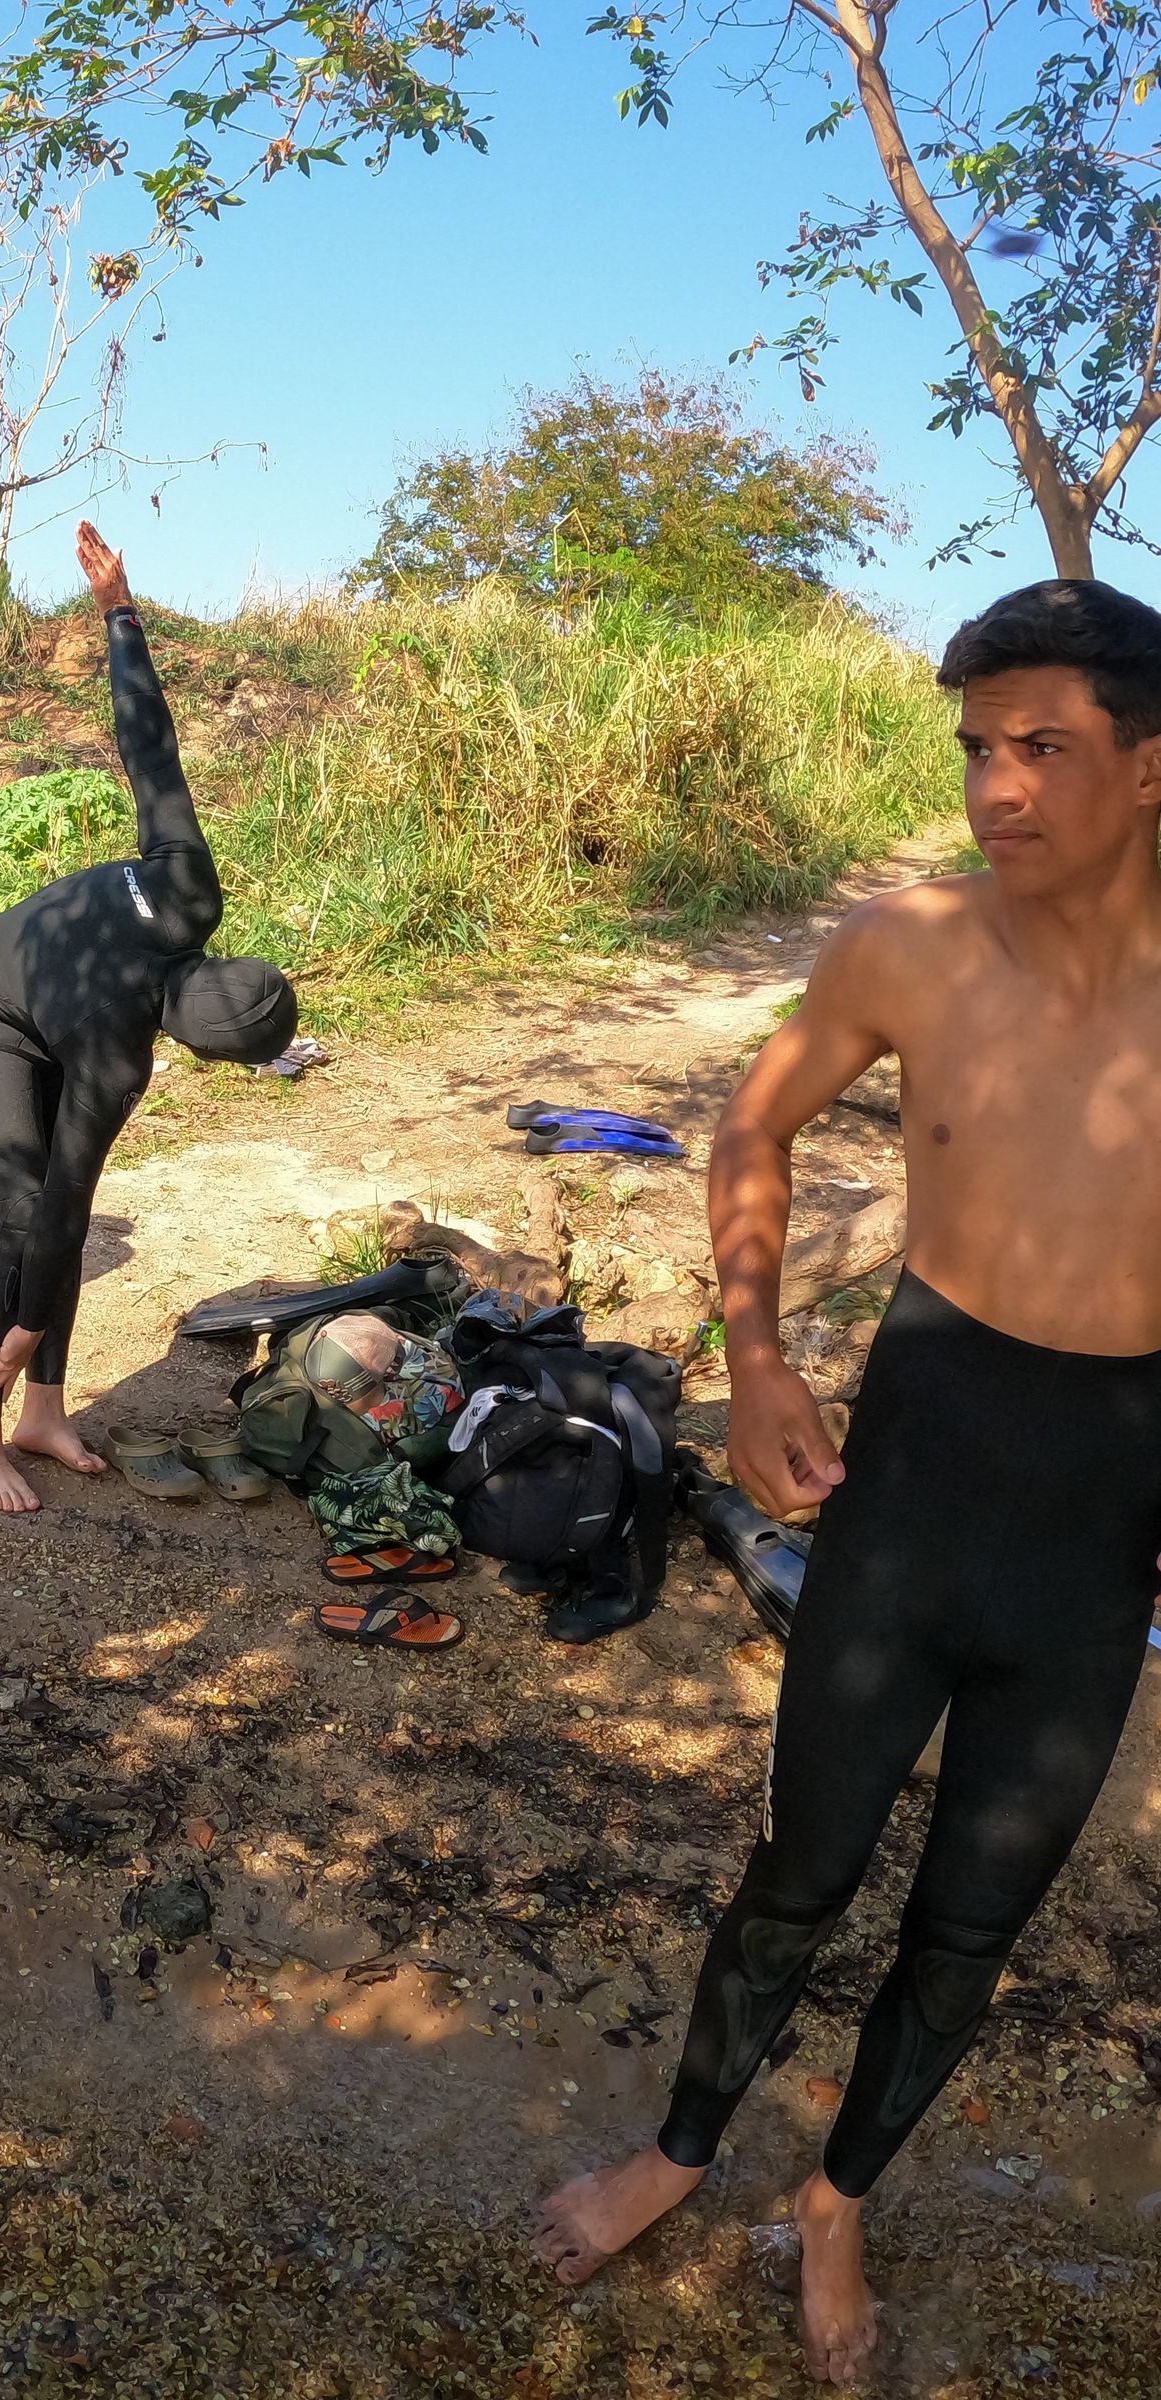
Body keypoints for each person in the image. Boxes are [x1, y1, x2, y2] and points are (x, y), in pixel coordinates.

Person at [532, 578, 1161, 2384]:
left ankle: (841, 2200)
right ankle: (678, 2151)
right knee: (805, 1863)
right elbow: (755, 1118)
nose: (998, 789)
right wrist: (749, 1354)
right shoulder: (911, 949)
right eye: (977, 749)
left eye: (1044, 747)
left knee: (979, 1916)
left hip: (1106, 1519)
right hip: (926, 1468)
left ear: (1152, 764)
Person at [0, 524, 298, 1512]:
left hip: (51, 990)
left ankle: (44, 1411)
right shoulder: (114, 1055)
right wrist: (15, 1320)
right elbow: (47, 1210)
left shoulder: (189, 888)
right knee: (15, 1220)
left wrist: (120, 613)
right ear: (202, 1048)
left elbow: (152, 747)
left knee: (63, 1229)